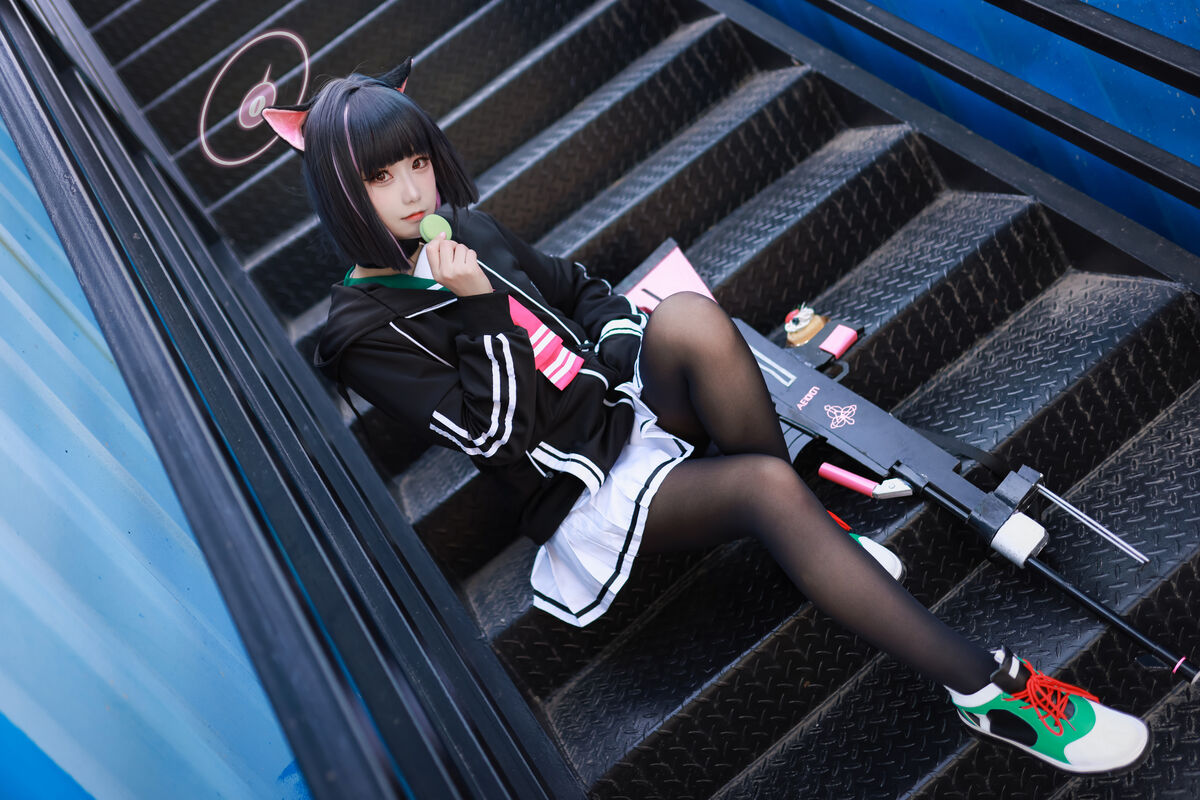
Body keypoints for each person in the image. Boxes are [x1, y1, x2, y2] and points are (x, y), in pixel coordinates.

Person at [263, 60, 1149, 775]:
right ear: (342, 192)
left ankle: (810, 534)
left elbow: (586, 291)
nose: (413, 190)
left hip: (629, 414)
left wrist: (617, 355)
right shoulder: (360, 331)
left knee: (688, 317)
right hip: (586, 490)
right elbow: (497, 437)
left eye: (416, 161)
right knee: (764, 486)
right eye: (381, 177)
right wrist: (481, 310)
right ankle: (988, 691)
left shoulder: (469, 228)